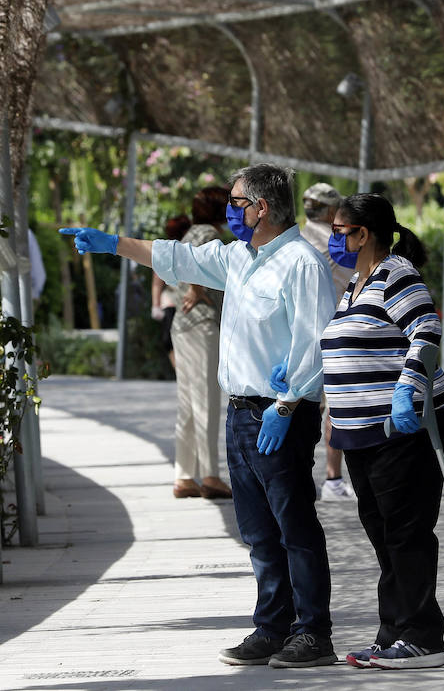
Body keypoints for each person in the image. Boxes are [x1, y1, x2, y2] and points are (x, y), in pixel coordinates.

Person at [62, 163, 339, 668]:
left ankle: (313, 633)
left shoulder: (302, 263)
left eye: (238, 202)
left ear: (262, 207)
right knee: (257, 532)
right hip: (240, 414)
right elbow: (179, 258)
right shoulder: (241, 258)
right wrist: (114, 244)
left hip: (279, 414)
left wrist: (288, 404)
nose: (232, 210)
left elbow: (314, 343)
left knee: (293, 524)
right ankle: (271, 628)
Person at [321, 192, 444, 670]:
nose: (332, 241)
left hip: (407, 425)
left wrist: (408, 386)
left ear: (364, 234)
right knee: (383, 533)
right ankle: (395, 632)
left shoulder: (395, 274)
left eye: (339, 232)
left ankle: (423, 637)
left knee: (406, 531)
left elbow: (426, 331)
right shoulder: (354, 285)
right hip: (361, 433)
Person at [167, 190, 231, 500]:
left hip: (181, 324)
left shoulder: (189, 232)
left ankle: (184, 476)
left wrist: (190, 288)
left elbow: (173, 265)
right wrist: (197, 287)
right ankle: (210, 475)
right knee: (206, 399)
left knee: (188, 403)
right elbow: (196, 261)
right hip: (203, 324)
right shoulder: (207, 233)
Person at [299, 182, 357, 502]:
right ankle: (333, 479)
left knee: (306, 406)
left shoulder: (295, 239)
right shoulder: (339, 242)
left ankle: (302, 476)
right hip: (336, 332)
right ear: (331, 210)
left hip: (304, 334)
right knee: (336, 408)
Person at [151, 214, 191, 372]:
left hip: (188, 301)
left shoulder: (192, 248)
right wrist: (156, 305)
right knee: (169, 340)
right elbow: (157, 281)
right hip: (172, 301)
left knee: (184, 340)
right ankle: (180, 371)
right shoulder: (166, 250)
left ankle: (185, 371)